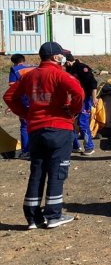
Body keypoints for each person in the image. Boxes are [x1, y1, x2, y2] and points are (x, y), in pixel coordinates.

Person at [3, 42, 84, 229]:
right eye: (62, 55)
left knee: (37, 171)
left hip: (36, 130)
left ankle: (33, 218)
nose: (64, 58)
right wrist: (72, 111)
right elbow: (78, 92)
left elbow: (9, 96)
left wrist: (26, 114)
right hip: (59, 128)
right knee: (57, 171)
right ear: (56, 57)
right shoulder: (60, 74)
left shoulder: (29, 75)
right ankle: (53, 215)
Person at [64, 54, 98, 155]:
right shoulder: (69, 69)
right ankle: (75, 146)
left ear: (68, 61)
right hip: (73, 100)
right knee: (71, 122)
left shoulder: (82, 68)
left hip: (85, 99)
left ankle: (89, 147)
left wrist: (94, 97)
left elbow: (93, 83)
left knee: (83, 123)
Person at [8, 54, 35, 159]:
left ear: (14, 62)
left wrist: (12, 105)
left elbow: (13, 88)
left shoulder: (15, 70)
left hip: (25, 101)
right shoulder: (34, 67)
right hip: (39, 99)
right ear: (23, 61)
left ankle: (26, 152)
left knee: (25, 126)